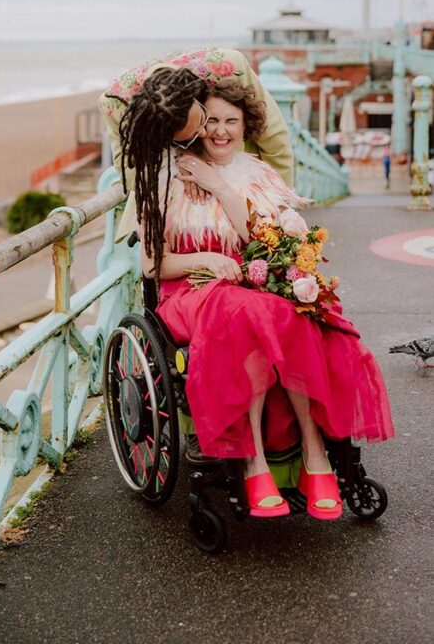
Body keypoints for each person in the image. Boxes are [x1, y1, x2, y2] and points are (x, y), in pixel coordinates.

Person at [119, 68, 394, 520]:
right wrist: (205, 259)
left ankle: (314, 452)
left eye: (232, 122)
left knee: (303, 312)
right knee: (251, 312)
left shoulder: (258, 175)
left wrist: (221, 188)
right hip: (189, 294)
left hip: (249, 288)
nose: (221, 131)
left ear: (246, 126)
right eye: (211, 122)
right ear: (192, 125)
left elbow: (260, 243)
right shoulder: (160, 179)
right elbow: (152, 266)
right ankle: (254, 460)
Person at [99, 46, 294, 241]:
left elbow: (275, 139)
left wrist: (281, 209)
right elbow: (131, 172)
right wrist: (179, 160)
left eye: (203, 118)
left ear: (195, 95)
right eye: (189, 137)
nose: (204, 132)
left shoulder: (228, 67)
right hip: (178, 213)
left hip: (243, 191)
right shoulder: (116, 106)